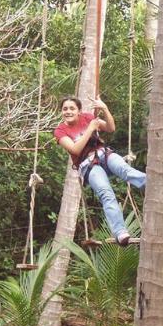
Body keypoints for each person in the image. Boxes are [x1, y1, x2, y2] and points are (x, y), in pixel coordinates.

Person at [53, 96, 145, 245]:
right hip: (89, 166)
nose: (68, 111)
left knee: (124, 169)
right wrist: (90, 129)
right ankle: (120, 232)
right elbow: (75, 150)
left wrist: (105, 109)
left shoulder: (88, 117)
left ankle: (148, 183)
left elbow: (110, 128)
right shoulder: (60, 131)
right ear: (61, 112)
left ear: (79, 111)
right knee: (105, 192)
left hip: (104, 154)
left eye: (72, 108)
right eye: (65, 109)